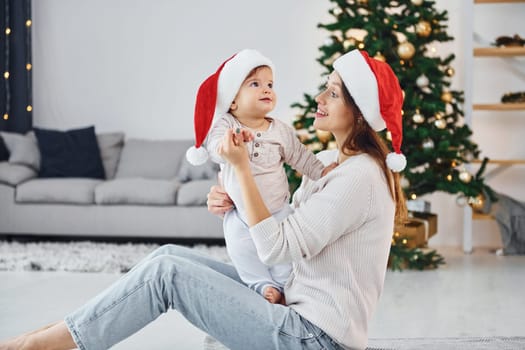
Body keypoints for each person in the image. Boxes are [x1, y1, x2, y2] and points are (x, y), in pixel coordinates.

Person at [0, 49, 407, 350]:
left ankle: (44, 345)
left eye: (332, 94)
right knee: (167, 257)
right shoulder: (330, 162)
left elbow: (277, 247)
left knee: (168, 277)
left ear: (359, 112)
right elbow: (286, 231)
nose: (319, 98)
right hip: (295, 304)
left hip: (314, 337)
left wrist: (242, 171)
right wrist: (235, 196)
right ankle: (53, 335)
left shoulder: (360, 176)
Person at [186, 48, 336, 304]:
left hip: (277, 211)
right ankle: (262, 286)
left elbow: (300, 156)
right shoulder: (226, 125)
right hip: (239, 215)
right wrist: (229, 145)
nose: (266, 89)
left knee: (285, 260)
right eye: (255, 84)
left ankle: (284, 287)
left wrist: (321, 172)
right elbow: (214, 147)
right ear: (233, 101)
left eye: (270, 84)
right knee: (242, 253)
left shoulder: (280, 131)